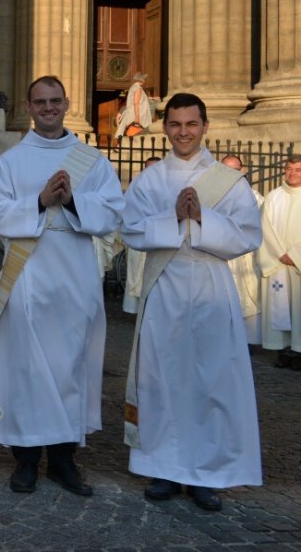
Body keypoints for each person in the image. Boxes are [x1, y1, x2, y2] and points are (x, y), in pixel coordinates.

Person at [0, 75, 123, 496]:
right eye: (40, 101)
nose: (49, 108)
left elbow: (113, 211)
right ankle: (25, 459)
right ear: (29, 106)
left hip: (74, 272)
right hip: (27, 275)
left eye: (55, 100)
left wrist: (73, 199)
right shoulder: (11, 160)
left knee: (69, 366)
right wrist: (39, 201)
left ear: (66, 102)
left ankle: (62, 461)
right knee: (26, 367)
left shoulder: (91, 159)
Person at [121, 93, 262, 511]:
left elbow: (248, 235)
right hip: (164, 286)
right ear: (165, 128)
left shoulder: (229, 180)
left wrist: (203, 217)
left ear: (205, 126)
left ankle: (205, 474)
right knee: (162, 378)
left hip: (210, 286)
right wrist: (172, 218)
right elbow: (131, 229)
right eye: (176, 125)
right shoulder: (150, 180)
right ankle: (163, 470)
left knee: (210, 379)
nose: (184, 132)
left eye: (192, 124)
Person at [257, 154, 301, 367]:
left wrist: (295, 255)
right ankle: (283, 352)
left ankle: (299, 353)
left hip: (297, 264)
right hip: (277, 263)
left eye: (298, 169)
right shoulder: (273, 197)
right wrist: (280, 253)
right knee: (280, 308)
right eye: (289, 169)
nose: (292, 173)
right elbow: (264, 227)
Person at [220, 155, 264, 343]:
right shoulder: (214, 195)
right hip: (222, 253)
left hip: (246, 255)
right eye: (225, 169)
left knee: (248, 295)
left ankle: (248, 339)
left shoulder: (255, 197)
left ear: (242, 170)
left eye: (234, 169)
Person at [123, 155, 162, 314]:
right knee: (138, 273)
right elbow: (127, 209)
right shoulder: (136, 186)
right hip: (140, 235)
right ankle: (138, 309)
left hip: (160, 237)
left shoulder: (169, 185)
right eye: (148, 168)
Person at [115, 72, 154, 139]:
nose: (145, 81)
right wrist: (137, 116)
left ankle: (120, 146)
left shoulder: (133, 87)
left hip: (131, 112)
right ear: (142, 79)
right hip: (136, 114)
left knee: (128, 133)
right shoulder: (138, 88)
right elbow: (136, 103)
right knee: (137, 133)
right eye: (144, 79)